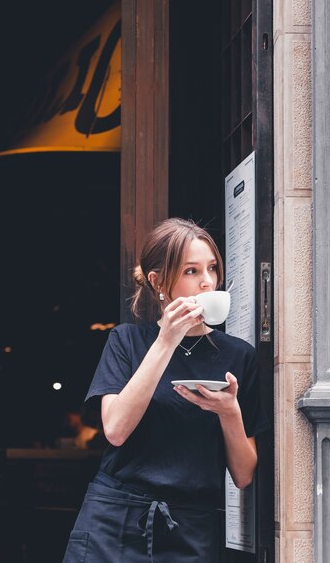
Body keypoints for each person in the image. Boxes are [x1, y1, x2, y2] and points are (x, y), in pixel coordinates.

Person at [62, 218, 268, 562]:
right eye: (191, 271)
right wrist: (167, 340)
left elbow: (244, 474)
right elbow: (114, 430)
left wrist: (229, 411)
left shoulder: (238, 355)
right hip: (115, 522)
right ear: (158, 281)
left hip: (191, 527)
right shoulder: (126, 341)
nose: (207, 282)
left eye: (212, 268)